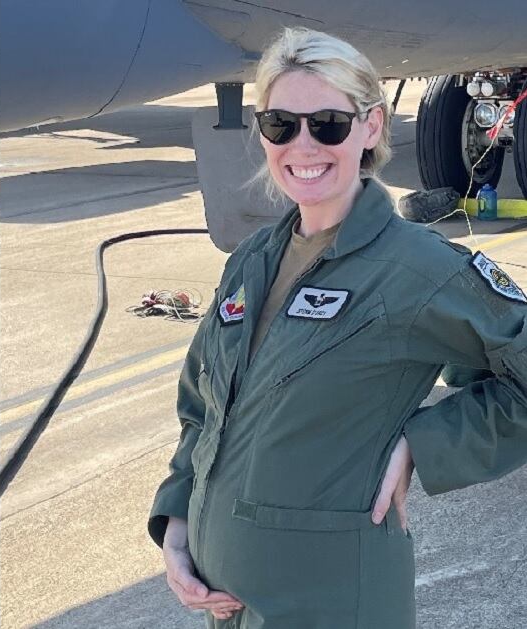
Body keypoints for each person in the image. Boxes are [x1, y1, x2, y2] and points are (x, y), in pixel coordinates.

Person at [149, 27, 527, 628]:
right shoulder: (252, 261)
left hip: (332, 604)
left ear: (371, 127)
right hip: (230, 606)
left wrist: (424, 445)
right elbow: (203, 404)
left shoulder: (417, 268)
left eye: (328, 123)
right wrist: (176, 521)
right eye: (280, 124)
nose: (302, 145)